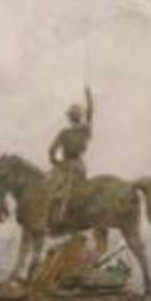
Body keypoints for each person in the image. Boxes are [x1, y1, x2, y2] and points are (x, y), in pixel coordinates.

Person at [48, 86, 94, 224]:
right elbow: (90, 113)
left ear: (70, 118)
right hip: (76, 165)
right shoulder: (84, 130)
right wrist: (88, 96)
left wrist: (57, 163)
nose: (73, 118)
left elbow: (51, 152)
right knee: (55, 186)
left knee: (63, 189)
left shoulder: (66, 133)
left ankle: (60, 218)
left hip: (71, 166)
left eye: (72, 115)